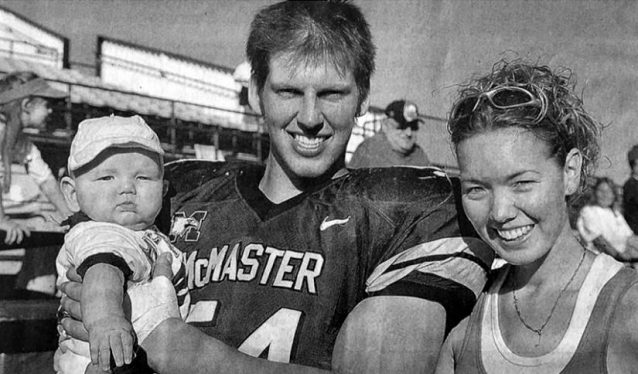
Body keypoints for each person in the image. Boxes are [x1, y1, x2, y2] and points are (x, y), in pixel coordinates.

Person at [58, 1, 494, 374]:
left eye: (332, 94)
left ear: (362, 97)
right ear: (255, 94)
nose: (309, 116)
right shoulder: (178, 192)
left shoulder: (403, 210)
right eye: (288, 91)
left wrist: (188, 353)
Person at [436, 60, 638, 373]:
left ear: (570, 172)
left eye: (522, 183)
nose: (500, 213)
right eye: (476, 189)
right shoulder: (461, 316)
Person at [54, 115, 189, 373]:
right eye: (107, 178)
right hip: (106, 355)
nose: (127, 187)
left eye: (143, 178)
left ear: (163, 190)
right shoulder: (99, 233)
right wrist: (107, 320)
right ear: (72, 194)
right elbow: (102, 275)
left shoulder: (148, 234)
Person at [0, 71, 72, 296]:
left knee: (47, 224)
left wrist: (73, 219)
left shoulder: (24, 145)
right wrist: (1, 220)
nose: (51, 111)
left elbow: (48, 183)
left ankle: (31, 298)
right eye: (47, 105)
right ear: (28, 105)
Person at [576, 176, 638, 285]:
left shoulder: (616, 214)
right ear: (595, 193)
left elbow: (630, 239)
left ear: (613, 195)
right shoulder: (588, 211)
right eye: (601, 190)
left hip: (621, 262)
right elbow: (600, 241)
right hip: (600, 263)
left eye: (609, 191)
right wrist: (620, 257)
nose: (605, 195)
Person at [348, 99, 430, 168]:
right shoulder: (369, 150)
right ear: (385, 125)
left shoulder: (419, 155)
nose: (408, 133)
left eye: (413, 126)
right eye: (401, 126)